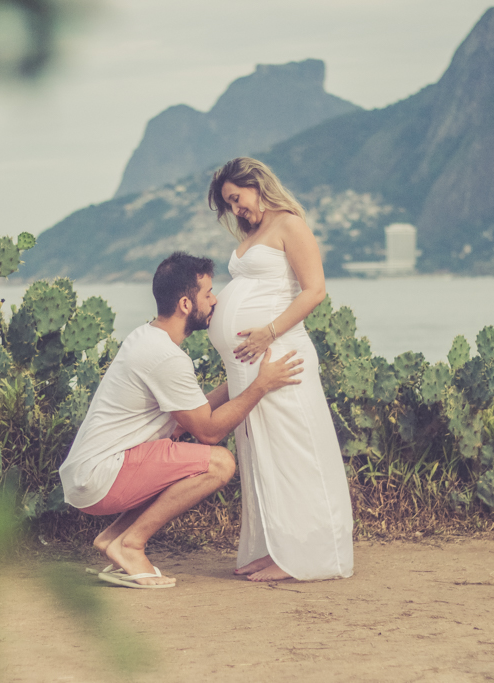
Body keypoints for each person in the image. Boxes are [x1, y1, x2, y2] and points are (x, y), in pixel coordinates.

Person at [59, 251, 303, 588]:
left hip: (91, 474)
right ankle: (131, 544)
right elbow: (208, 431)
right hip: (102, 476)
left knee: (175, 447)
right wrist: (261, 385)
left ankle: (114, 538)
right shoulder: (165, 357)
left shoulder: (147, 338)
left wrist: (240, 381)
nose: (215, 300)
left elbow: (188, 417)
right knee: (219, 463)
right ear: (186, 304)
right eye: (207, 294)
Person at [207, 157, 354, 582]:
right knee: (262, 459)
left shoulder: (289, 224)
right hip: (249, 365)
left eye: (236, 198)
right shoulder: (254, 234)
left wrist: (268, 332)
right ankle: (275, 548)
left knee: (294, 454)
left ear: (257, 185)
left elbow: (315, 290)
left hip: (281, 355)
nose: (236, 210)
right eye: (228, 205)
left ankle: (306, 556)